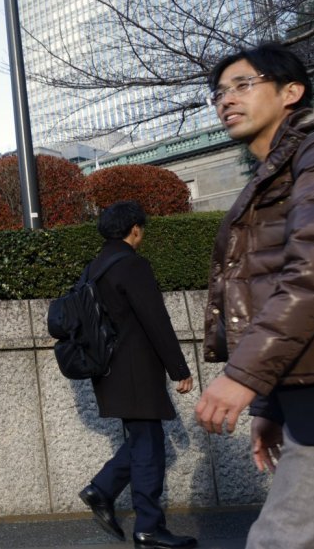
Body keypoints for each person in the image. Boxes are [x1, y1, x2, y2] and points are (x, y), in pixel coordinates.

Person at [195, 42, 314, 548]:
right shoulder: (275, 172)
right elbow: (272, 284)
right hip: (313, 392)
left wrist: (243, 379)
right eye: (219, 92)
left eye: (243, 85)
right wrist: (271, 407)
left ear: (291, 92)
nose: (226, 100)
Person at [77, 201, 196, 549]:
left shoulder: (93, 268)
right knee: (147, 446)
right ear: (135, 230)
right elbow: (155, 319)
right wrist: (180, 368)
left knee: (147, 443)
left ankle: (102, 491)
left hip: (108, 369)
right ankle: (147, 527)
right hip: (136, 369)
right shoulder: (131, 264)